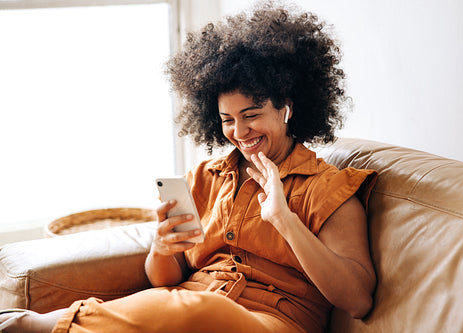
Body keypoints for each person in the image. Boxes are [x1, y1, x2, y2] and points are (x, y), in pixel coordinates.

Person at [0, 2, 377, 332]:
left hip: (271, 322)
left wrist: (284, 220)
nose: (239, 132)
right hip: (185, 310)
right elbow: (165, 280)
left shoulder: (329, 188)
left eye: (252, 115)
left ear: (287, 107)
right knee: (181, 304)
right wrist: (161, 248)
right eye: (227, 119)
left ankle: (29, 326)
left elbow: (358, 300)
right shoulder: (204, 178)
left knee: (197, 308)